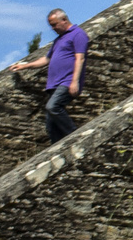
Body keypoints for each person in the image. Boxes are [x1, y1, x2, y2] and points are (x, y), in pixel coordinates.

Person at [8, 8, 89, 144]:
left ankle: (75, 137)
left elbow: (80, 58)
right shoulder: (59, 40)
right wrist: (24, 66)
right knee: (51, 126)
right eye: (51, 25)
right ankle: (58, 147)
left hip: (67, 81)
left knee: (53, 107)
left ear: (64, 20)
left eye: (54, 24)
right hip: (54, 84)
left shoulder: (78, 34)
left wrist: (74, 82)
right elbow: (46, 60)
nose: (53, 28)